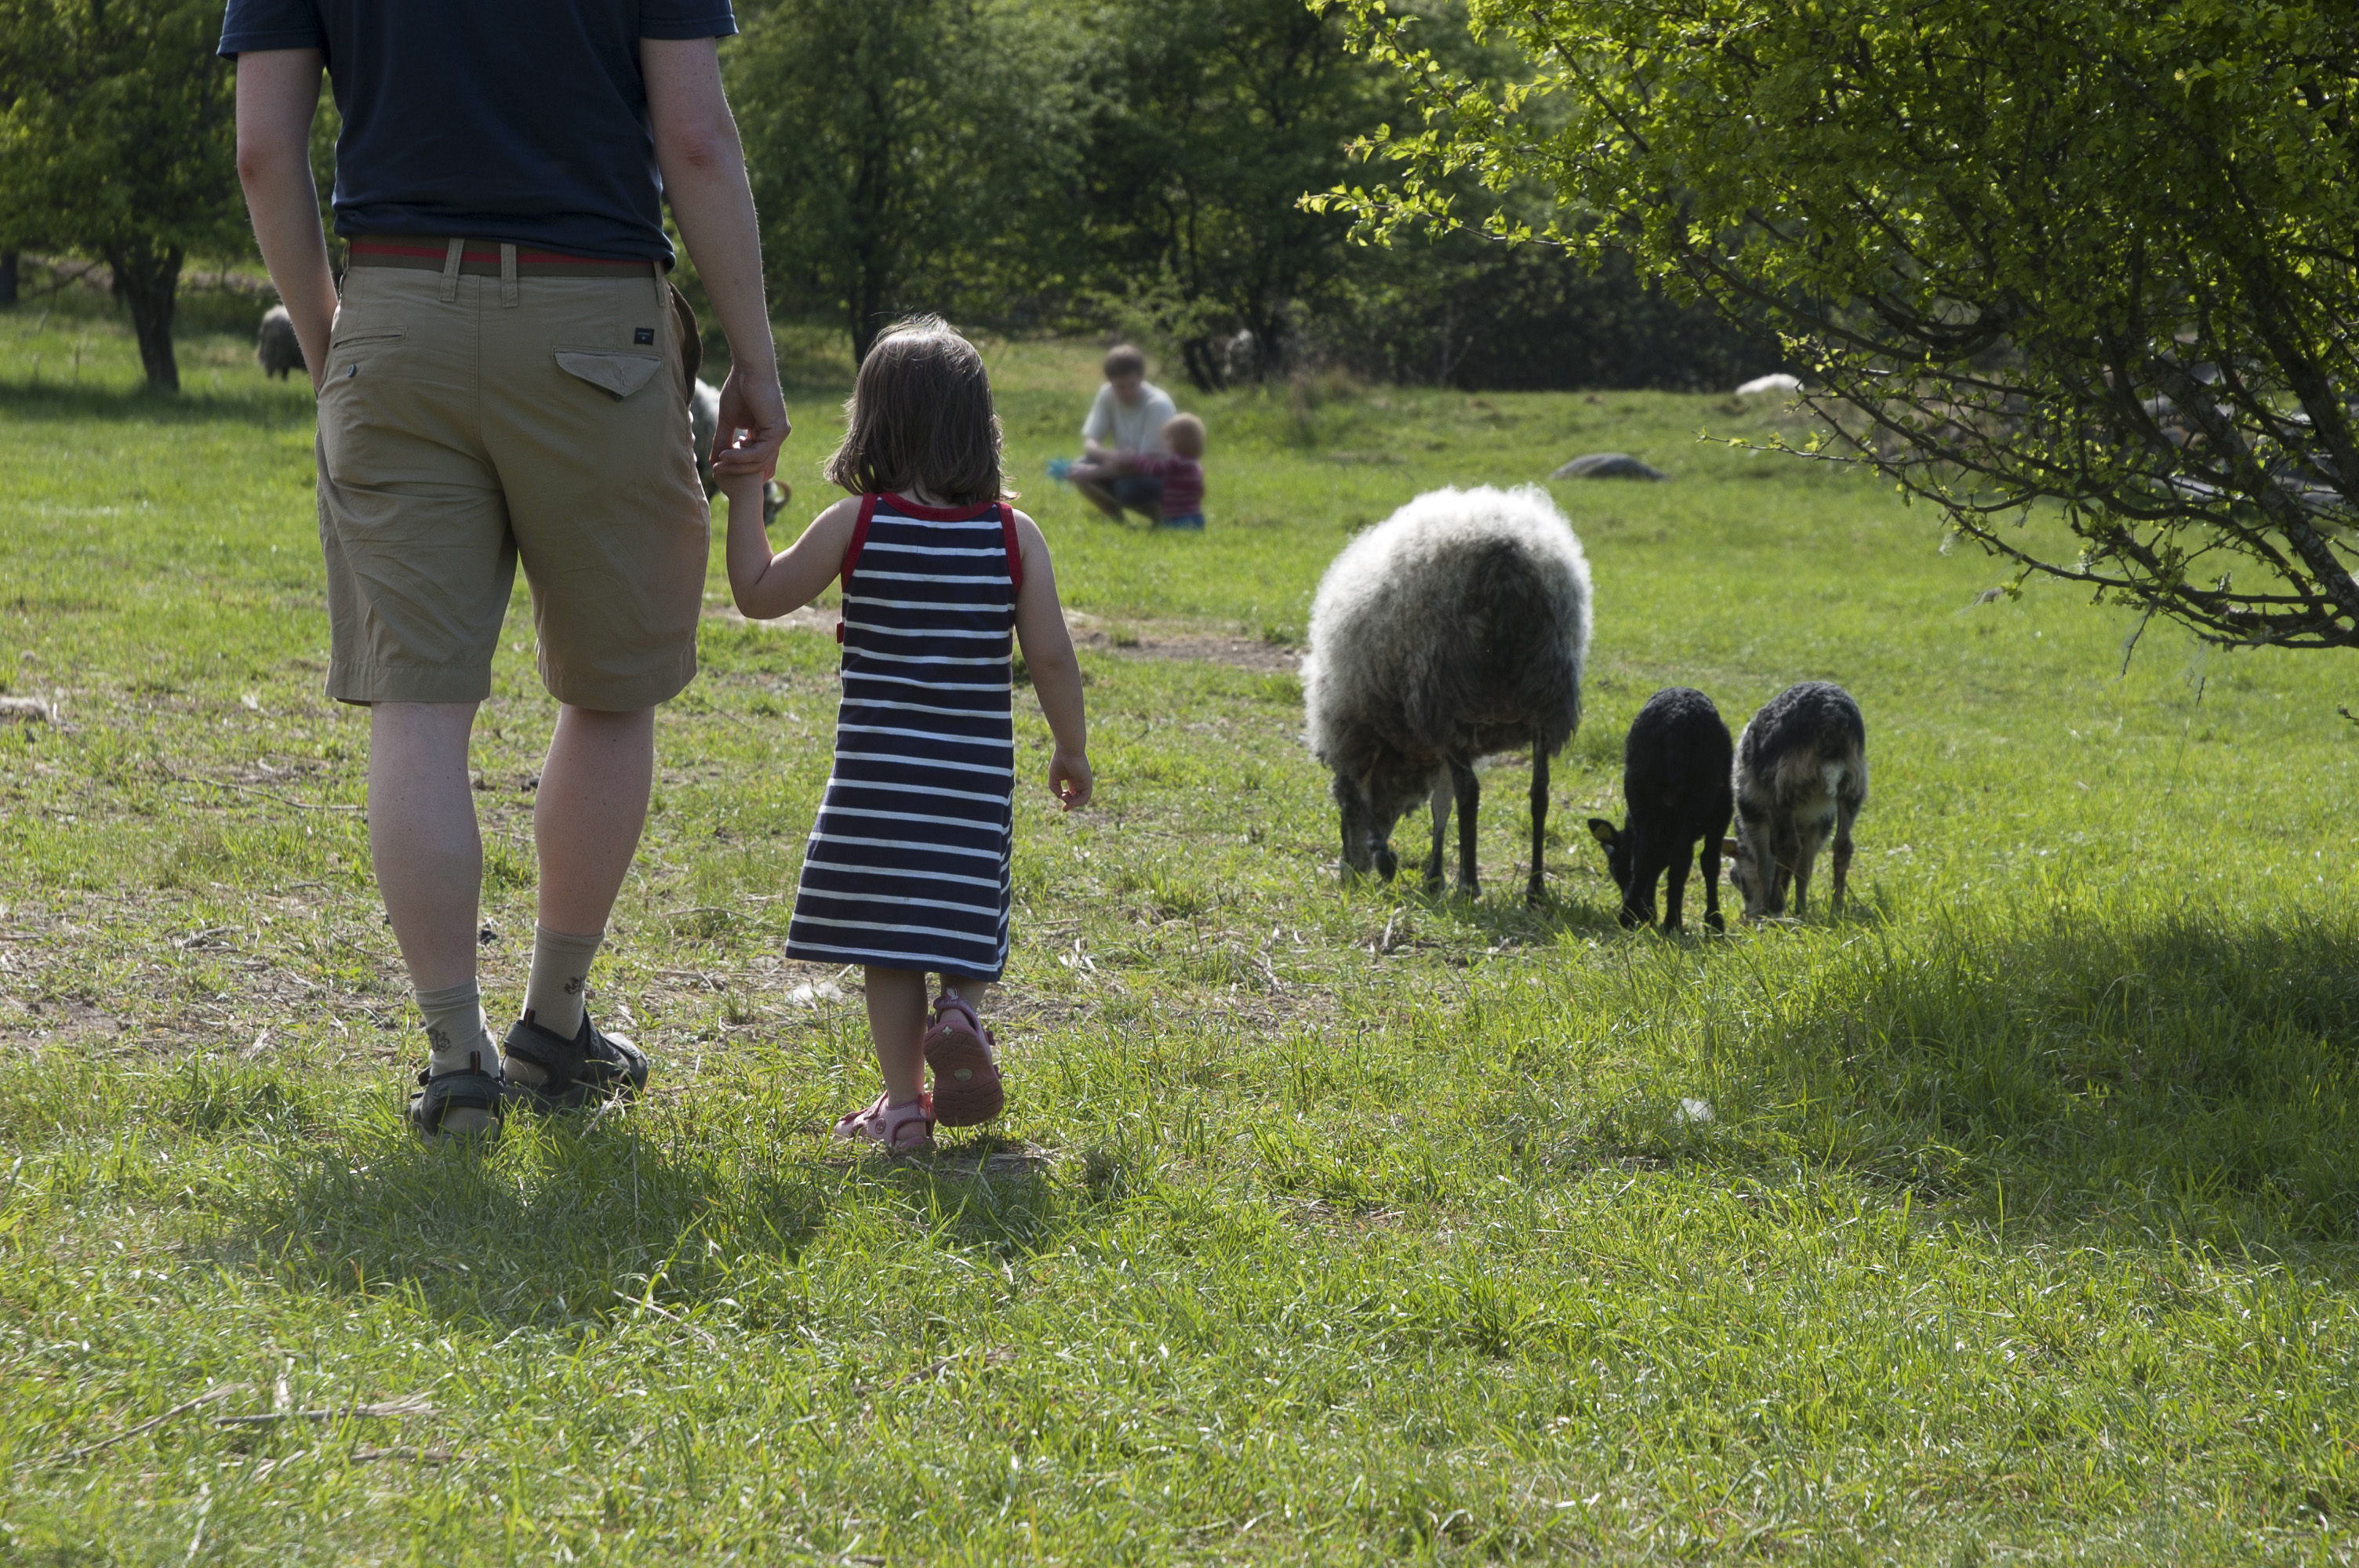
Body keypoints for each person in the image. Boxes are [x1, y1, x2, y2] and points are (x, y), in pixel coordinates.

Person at [224, 0, 790, 1138]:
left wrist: (338, 338)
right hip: (596, 319)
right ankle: (553, 1021)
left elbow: (261, 150)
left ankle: (454, 1058)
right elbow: (695, 139)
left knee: (419, 707)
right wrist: (754, 358)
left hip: (394, 310)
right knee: (610, 689)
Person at [721, 316, 1092, 1151]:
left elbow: (755, 590)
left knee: (888, 945)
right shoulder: (1009, 536)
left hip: (877, 788)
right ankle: (961, 1005)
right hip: (969, 786)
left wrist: (747, 488)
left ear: (871, 423)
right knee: (968, 914)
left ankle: (902, 1107)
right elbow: (1054, 658)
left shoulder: (857, 522)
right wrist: (1069, 747)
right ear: (977, 424)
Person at [1071, 343, 1178, 523]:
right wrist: (1113, 455)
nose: (1127, 392)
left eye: (1132, 385)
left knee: (1126, 488)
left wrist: (1094, 472)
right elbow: (1090, 443)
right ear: (1110, 382)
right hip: (1125, 466)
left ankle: (1160, 515)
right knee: (1078, 466)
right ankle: (1118, 521)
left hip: (1160, 474)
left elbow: (1147, 464)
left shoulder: (1158, 405)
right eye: (1120, 387)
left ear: (1141, 378)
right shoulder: (1106, 395)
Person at [1067, 412, 1206, 530]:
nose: (1167, 442)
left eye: (1169, 438)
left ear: (1181, 440)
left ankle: (1168, 524)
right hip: (1195, 514)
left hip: (1178, 515)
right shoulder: (1194, 464)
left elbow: (1153, 470)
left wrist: (1136, 458)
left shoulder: (1176, 462)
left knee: (1172, 529)